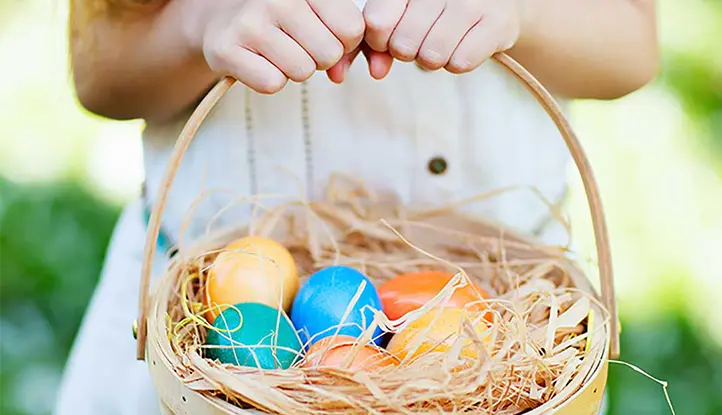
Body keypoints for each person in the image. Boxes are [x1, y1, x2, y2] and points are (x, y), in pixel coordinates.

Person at [55, 0, 659, 413]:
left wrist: (520, 11)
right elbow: (100, 69)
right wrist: (201, 23)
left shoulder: (511, 344)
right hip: (197, 356)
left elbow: (632, 45)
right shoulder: (203, 346)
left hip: (512, 340)